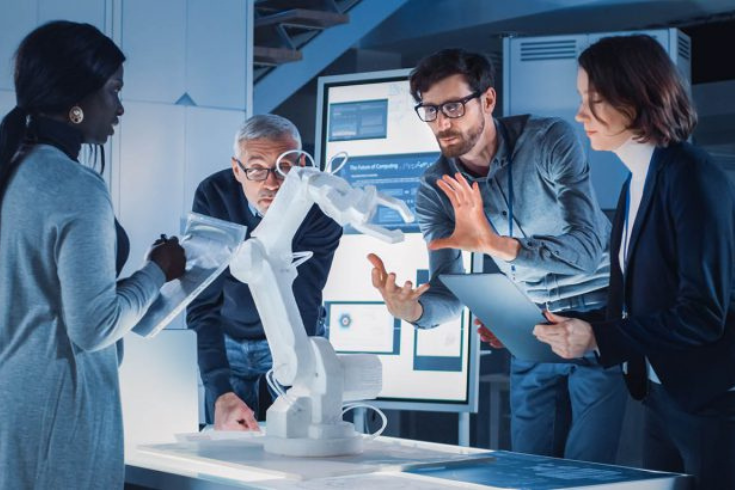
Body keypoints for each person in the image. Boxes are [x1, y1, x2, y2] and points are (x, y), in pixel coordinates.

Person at [369, 48, 627, 463]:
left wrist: (492, 243)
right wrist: (411, 312)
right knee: (526, 466)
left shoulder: (549, 140)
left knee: (587, 469)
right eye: (430, 110)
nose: (442, 122)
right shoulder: (435, 188)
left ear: (487, 101)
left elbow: (585, 251)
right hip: (530, 323)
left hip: (598, 316)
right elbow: (447, 294)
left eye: (453, 106)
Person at [534, 34, 735, 489]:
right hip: (660, 396)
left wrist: (600, 336)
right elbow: (639, 305)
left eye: (596, 100)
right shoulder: (635, 183)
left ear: (638, 100)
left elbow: (703, 316)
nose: (580, 114)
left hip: (708, 407)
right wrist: (566, 323)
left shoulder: (691, 177)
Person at [0, 21, 186, 490]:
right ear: (77, 101)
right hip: (61, 408)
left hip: (18, 403)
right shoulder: (74, 187)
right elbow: (95, 325)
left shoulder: (15, 170)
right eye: (113, 91)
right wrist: (156, 272)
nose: (120, 107)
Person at [187, 114, 342, 431]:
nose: (272, 182)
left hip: (292, 332)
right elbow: (203, 299)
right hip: (228, 332)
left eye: (285, 167)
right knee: (229, 445)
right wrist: (219, 389)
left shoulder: (321, 210)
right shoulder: (215, 195)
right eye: (256, 168)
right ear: (237, 170)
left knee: (299, 437)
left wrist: (301, 385)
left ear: (301, 163)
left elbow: (305, 299)